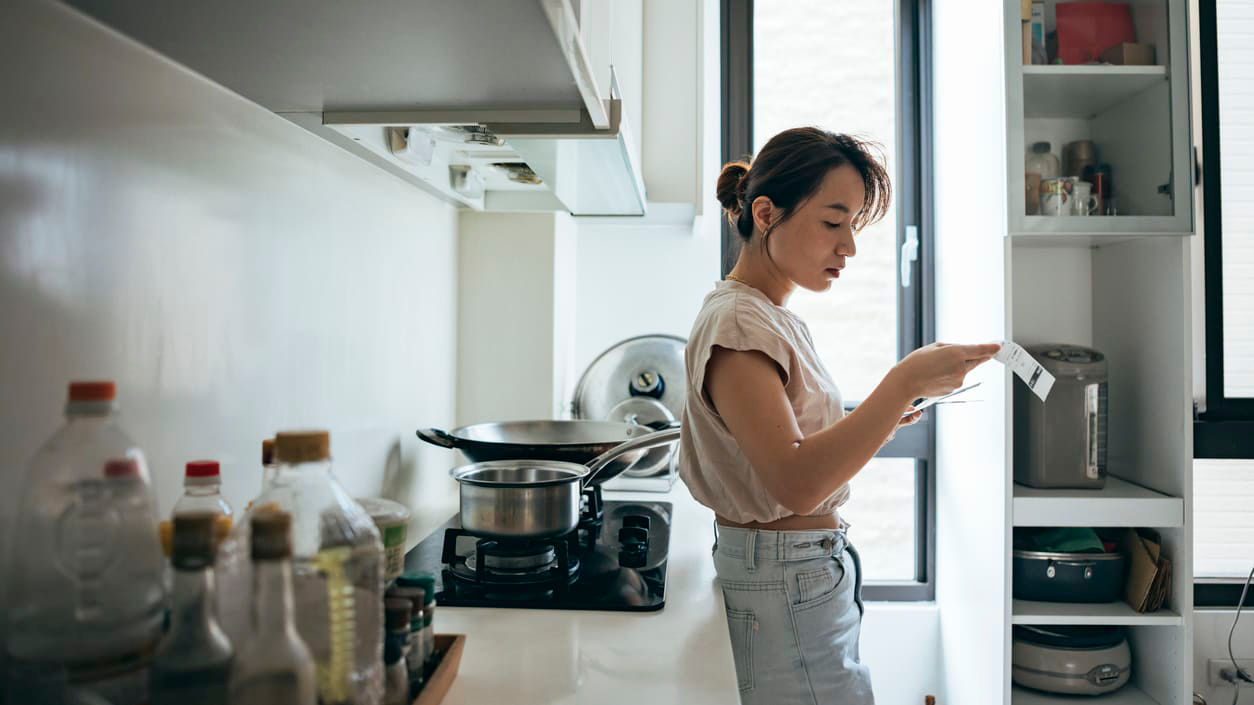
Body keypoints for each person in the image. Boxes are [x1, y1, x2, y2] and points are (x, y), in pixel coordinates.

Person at [679, 127, 1000, 704]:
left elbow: (792, 449)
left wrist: (883, 413)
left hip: (792, 575)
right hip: (782, 578)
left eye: (853, 225)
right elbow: (797, 483)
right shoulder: (740, 324)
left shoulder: (765, 316)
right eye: (833, 222)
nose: (848, 247)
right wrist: (901, 383)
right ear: (766, 213)